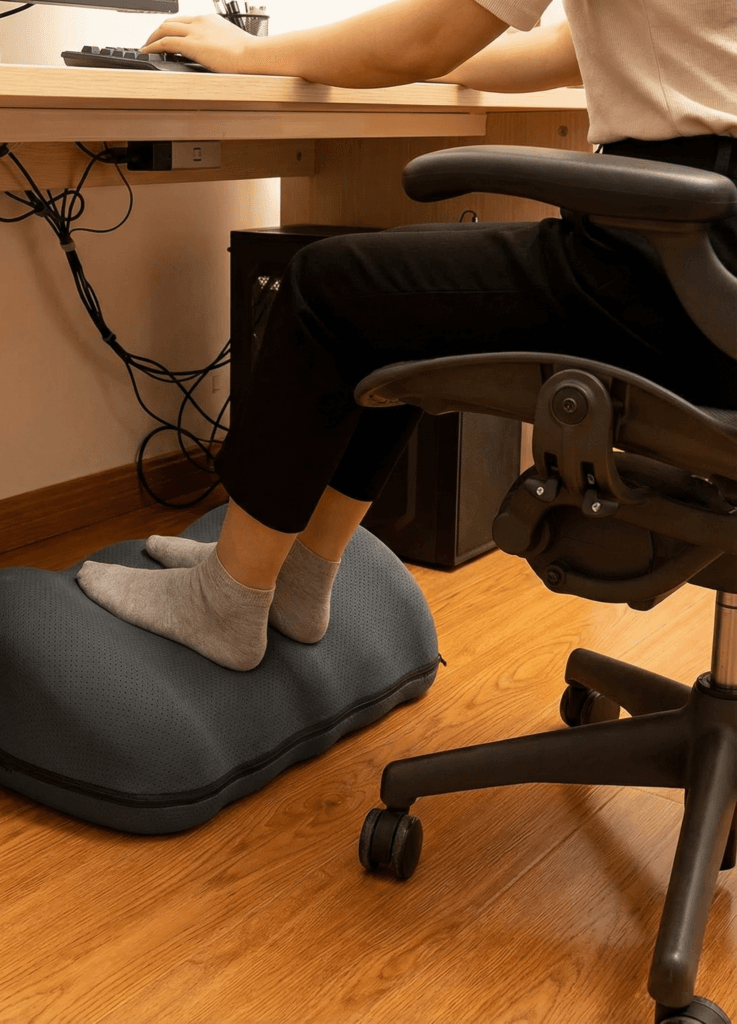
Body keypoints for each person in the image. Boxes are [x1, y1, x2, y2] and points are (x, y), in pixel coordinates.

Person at [77, 0, 737, 671]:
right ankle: (301, 574)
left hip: (677, 255)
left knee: (326, 289)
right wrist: (418, 56)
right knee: (398, 313)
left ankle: (226, 599)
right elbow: (569, 48)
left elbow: (427, 37)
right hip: (711, 268)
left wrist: (250, 53)